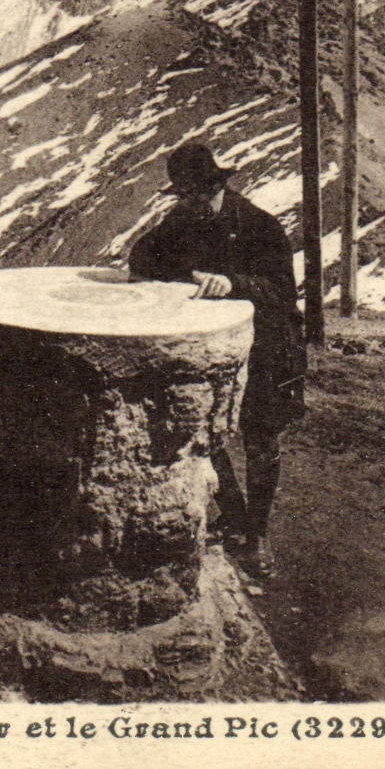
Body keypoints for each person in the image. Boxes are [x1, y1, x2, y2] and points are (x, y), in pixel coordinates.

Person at [128, 143, 306, 578]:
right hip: (218, 348)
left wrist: (232, 283)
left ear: (219, 185)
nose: (197, 205)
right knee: (209, 433)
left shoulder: (259, 226)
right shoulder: (183, 220)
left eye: (203, 196)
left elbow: (283, 293)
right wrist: (173, 256)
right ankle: (234, 514)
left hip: (267, 348)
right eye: (187, 198)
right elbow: (141, 258)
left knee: (261, 440)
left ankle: (258, 534)